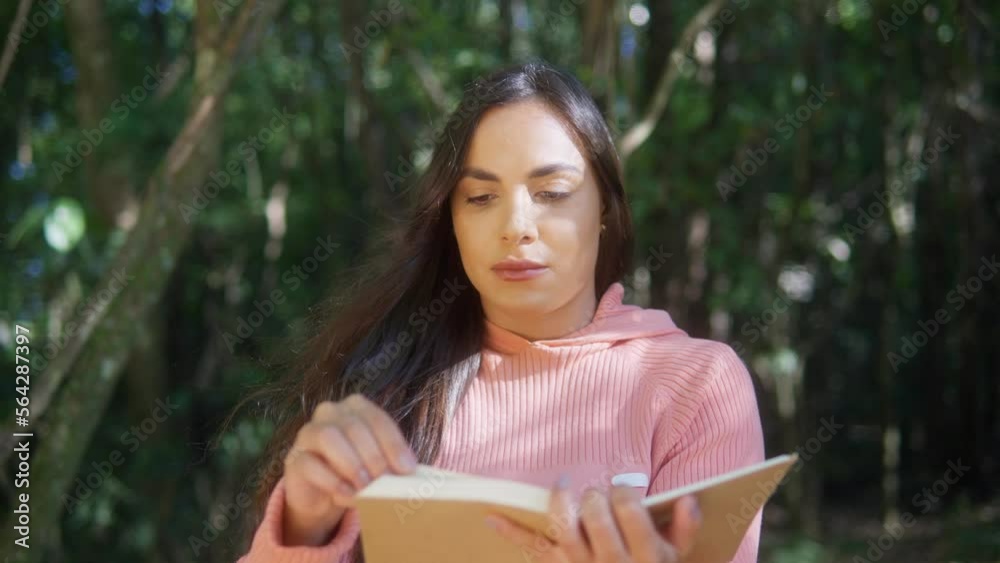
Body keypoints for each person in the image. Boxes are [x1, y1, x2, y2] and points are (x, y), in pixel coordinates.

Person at [232, 60, 765, 563]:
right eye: (481, 197)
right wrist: (304, 524)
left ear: (605, 205)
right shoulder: (386, 389)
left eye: (552, 191)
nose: (516, 226)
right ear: (451, 219)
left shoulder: (696, 386)